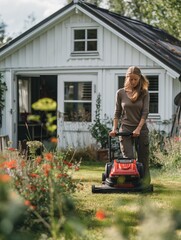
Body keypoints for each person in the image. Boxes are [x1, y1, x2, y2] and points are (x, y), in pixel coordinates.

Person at [109, 66, 151, 186]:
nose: (133, 82)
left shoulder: (144, 93)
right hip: (125, 129)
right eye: (130, 79)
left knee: (143, 158)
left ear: (139, 79)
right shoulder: (120, 93)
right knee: (129, 158)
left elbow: (145, 112)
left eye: (135, 79)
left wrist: (138, 128)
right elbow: (117, 112)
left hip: (141, 129)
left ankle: (145, 182)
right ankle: (130, 181)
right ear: (127, 78)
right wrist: (114, 129)